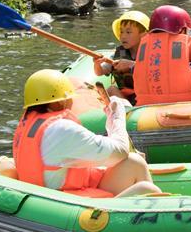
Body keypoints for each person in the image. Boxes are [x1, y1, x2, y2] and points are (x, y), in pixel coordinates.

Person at [12, 69, 161, 197]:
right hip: (67, 207)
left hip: (48, 198)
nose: (71, 102)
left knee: (134, 162)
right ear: (58, 103)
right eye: (69, 98)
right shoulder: (61, 129)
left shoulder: (28, 125)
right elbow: (121, 150)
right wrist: (117, 117)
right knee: (148, 189)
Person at [93, 11, 150, 103]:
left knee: (111, 90)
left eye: (128, 32)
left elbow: (155, 71)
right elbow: (99, 72)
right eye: (121, 32)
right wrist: (97, 64)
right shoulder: (119, 54)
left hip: (146, 99)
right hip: (125, 98)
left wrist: (132, 65)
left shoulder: (152, 53)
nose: (122, 36)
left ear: (144, 34)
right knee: (111, 89)